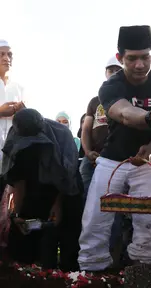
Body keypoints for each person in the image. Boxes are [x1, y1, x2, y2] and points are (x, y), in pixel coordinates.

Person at [77, 25, 151, 272]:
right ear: (120, 58)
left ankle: (142, 272)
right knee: (95, 221)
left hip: (149, 161)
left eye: (145, 57)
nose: (139, 64)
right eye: (132, 58)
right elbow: (124, 113)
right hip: (112, 159)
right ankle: (92, 273)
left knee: (149, 222)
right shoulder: (110, 87)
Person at [2, 108, 83, 271]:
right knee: (23, 236)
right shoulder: (15, 136)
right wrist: (17, 214)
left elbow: (66, 176)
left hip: (65, 192)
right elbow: (19, 180)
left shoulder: (62, 136)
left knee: (65, 241)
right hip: (34, 190)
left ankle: (65, 277)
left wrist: (58, 205)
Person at [80, 56, 122, 199]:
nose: (114, 73)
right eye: (111, 70)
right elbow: (86, 129)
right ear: (105, 73)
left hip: (117, 160)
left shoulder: (129, 99)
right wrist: (87, 151)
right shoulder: (94, 101)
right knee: (87, 199)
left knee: (113, 205)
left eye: (118, 70)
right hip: (93, 158)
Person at [0, 39, 25, 196]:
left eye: (9, 54)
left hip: (9, 155)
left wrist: (22, 112)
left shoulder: (18, 88)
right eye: (1, 54)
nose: (6, 58)